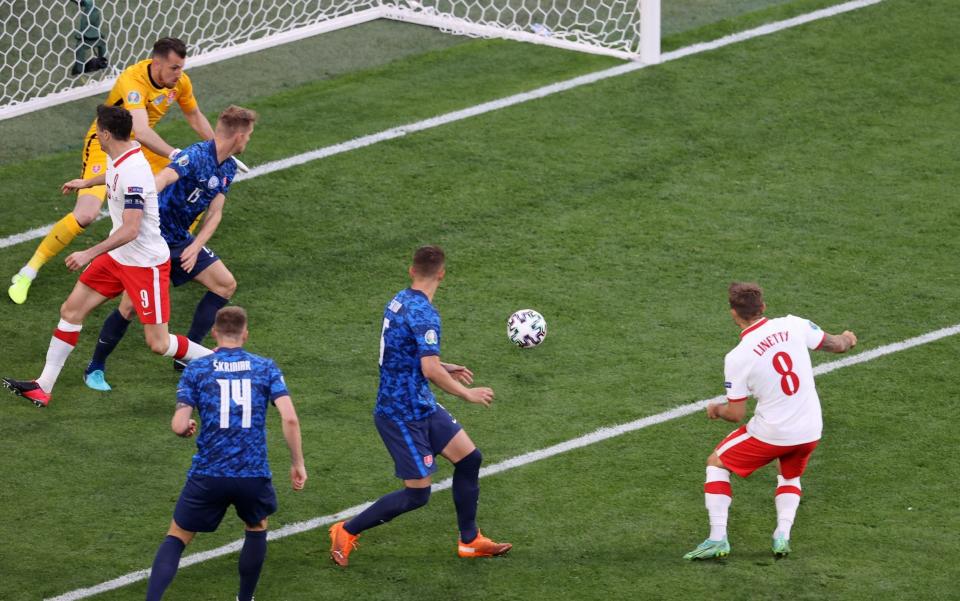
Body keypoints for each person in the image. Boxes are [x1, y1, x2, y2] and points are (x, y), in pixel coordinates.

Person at [1, 105, 212, 408]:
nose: (95, 134)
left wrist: (89, 252)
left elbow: (131, 229)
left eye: (98, 130)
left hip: (145, 264)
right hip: (119, 258)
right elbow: (113, 176)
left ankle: (220, 361)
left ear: (106, 134)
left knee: (159, 343)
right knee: (71, 310)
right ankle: (42, 386)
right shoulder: (123, 152)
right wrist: (86, 182)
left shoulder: (134, 172)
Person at [329, 245, 511, 567]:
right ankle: (345, 529)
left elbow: (408, 354)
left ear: (412, 271)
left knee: (470, 459)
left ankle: (469, 541)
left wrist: (444, 365)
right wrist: (467, 394)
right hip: (399, 413)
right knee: (417, 494)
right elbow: (428, 370)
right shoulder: (426, 313)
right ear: (442, 273)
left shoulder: (398, 299)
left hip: (420, 402)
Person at [9, 36, 215, 305]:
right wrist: (176, 154)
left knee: (188, 181)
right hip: (105, 142)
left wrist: (216, 151)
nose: (179, 73)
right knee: (86, 214)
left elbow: (194, 114)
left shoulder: (180, 82)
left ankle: (177, 251)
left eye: (181, 67)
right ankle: (28, 272)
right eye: (174, 68)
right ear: (156, 63)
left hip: (138, 147)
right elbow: (139, 129)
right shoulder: (134, 80)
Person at [82, 105, 257, 391]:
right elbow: (163, 178)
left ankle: (188, 356)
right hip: (153, 240)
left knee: (225, 284)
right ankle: (95, 368)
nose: (249, 140)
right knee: (129, 307)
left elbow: (215, 213)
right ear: (237, 136)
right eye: (248, 135)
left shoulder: (227, 167)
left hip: (181, 240)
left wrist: (196, 245)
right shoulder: (196, 155)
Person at [684, 282, 857, 560]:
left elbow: (736, 414)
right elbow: (836, 344)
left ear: (733, 314)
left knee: (716, 463)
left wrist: (716, 410)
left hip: (772, 432)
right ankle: (781, 537)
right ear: (763, 307)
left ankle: (717, 539)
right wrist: (848, 338)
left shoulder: (737, 357)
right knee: (789, 473)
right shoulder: (794, 324)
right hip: (811, 428)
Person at [145, 306, 307, 601]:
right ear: (245, 334)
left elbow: (179, 424)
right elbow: (291, 418)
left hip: (209, 473)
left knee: (177, 536)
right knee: (256, 527)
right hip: (252, 473)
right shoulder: (265, 367)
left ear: (213, 333)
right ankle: (245, 599)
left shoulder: (196, 369)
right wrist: (297, 463)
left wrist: (186, 427)